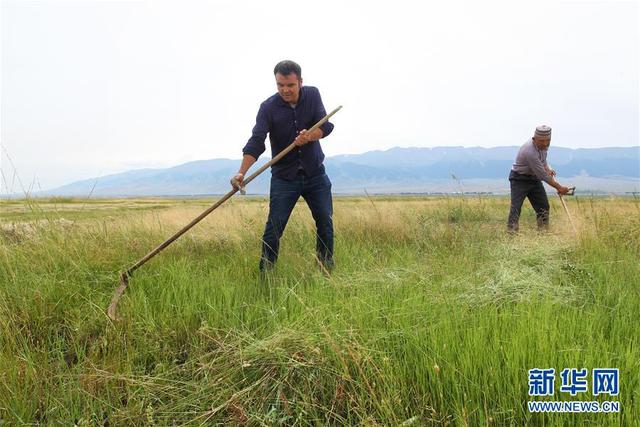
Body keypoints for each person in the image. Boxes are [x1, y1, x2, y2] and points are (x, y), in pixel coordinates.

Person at [230, 60, 335, 272]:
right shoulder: (267, 107)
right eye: (280, 85)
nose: (285, 90)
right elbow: (256, 141)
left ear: (300, 82)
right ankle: (266, 274)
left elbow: (325, 126)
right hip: (284, 178)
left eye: (290, 85)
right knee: (274, 228)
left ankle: (326, 267)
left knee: (325, 221)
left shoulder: (313, 95)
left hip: (315, 174)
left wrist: (310, 136)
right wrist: (242, 172)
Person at [507, 125, 570, 232]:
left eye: (548, 140)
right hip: (519, 179)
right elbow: (542, 176)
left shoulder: (544, 147)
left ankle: (543, 232)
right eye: (542, 141)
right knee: (516, 207)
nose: (545, 143)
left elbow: (543, 161)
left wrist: (547, 168)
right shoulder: (529, 151)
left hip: (534, 178)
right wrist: (559, 187)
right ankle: (511, 233)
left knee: (543, 206)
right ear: (534, 139)